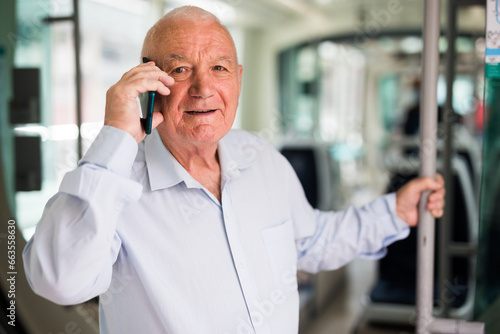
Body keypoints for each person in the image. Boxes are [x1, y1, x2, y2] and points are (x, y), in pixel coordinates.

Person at [23, 6, 445, 334]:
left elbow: (311, 240)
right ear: (150, 82)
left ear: (238, 80)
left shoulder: (260, 157)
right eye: (181, 69)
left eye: (219, 68)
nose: (204, 89)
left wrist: (394, 212)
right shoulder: (114, 183)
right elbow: (59, 280)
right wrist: (116, 136)